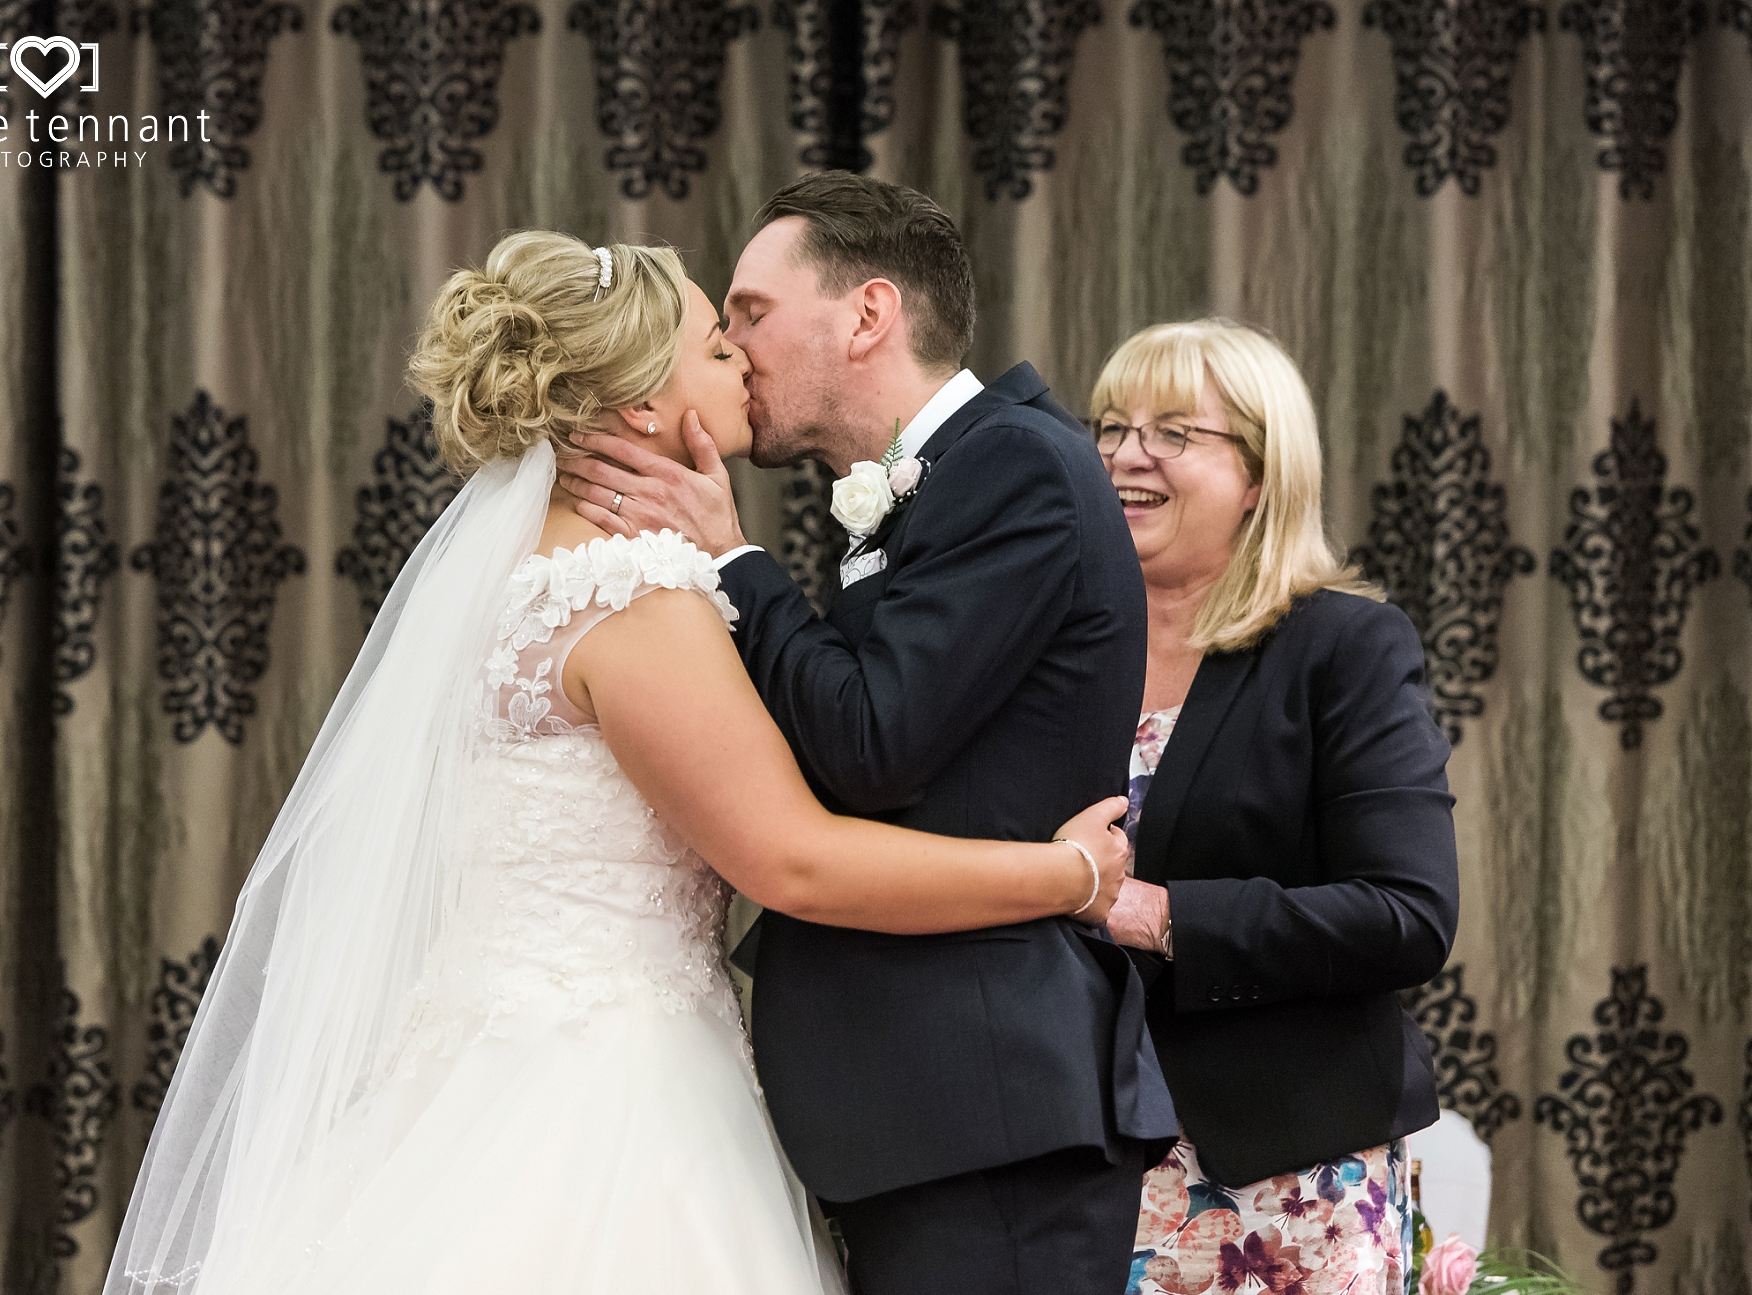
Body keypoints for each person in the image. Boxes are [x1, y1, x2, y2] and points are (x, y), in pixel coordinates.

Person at [105, 231, 1139, 1295]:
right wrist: (1067, 874)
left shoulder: (511, 581)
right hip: (608, 1093)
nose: (742, 355)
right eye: (715, 339)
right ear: (642, 402)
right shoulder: (631, 595)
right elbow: (794, 861)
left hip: (485, 1067)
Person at [558, 172, 1177, 1295]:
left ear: (867, 314)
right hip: (917, 1108)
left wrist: (737, 563)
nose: (736, 350)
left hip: (985, 1105)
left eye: (749, 312)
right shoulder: (930, 481)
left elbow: (871, 740)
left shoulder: (1018, 463)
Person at [1084, 319, 1459, 1295]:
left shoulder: (1344, 647)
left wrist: (1158, 913)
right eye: (1109, 426)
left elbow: (1405, 913)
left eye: (1171, 431)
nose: (1127, 453)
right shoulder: (1058, 653)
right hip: (1069, 1173)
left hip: (1281, 1186)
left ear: (1258, 473)